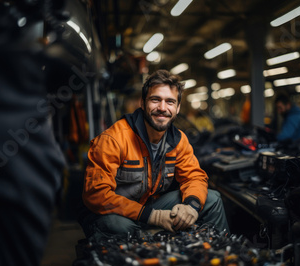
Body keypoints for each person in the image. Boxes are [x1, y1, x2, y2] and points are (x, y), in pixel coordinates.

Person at [80, 70, 229, 239]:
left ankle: (219, 255)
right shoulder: (113, 139)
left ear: (178, 108)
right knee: (120, 227)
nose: (162, 108)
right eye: (155, 100)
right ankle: (134, 260)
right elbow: (96, 194)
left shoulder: (178, 141)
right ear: (143, 103)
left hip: (151, 206)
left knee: (213, 199)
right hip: (114, 213)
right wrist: (154, 216)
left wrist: (190, 206)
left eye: (170, 102)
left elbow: (194, 177)